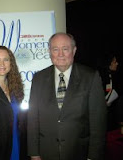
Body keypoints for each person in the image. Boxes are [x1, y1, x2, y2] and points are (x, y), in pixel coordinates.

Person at [27, 32, 107, 160]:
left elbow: (98, 122)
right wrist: (34, 153)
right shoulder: (38, 78)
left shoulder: (90, 77)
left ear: (74, 51)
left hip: (79, 152)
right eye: (55, 49)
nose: (60, 54)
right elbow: (32, 119)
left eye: (65, 49)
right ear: (49, 51)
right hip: (46, 153)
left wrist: (93, 156)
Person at [98, 54, 123, 131]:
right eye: (114, 62)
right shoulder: (99, 76)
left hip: (109, 112)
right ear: (108, 63)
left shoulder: (112, 75)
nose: (117, 63)